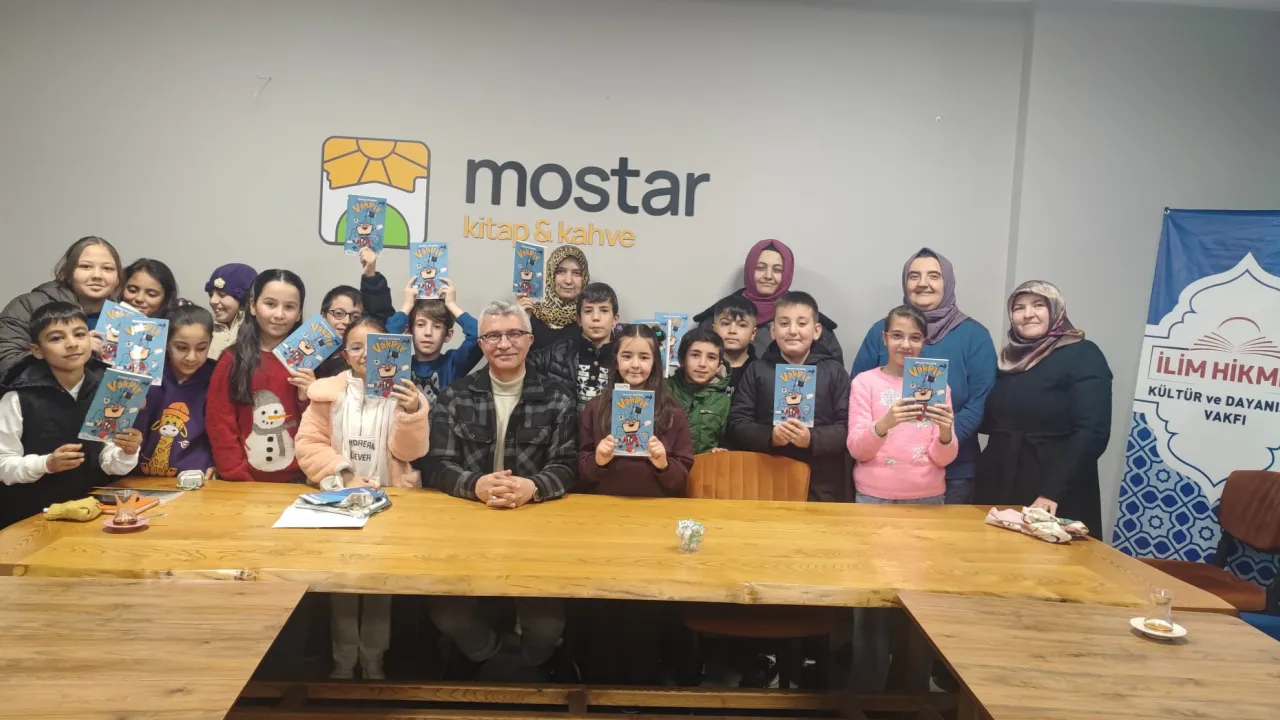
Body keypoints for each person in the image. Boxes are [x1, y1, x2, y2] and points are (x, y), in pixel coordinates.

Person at [417, 299, 576, 680]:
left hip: (535, 529)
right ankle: (486, 654)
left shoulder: (558, 396)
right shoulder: (455, 395)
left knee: (548, 627)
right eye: (492, 336)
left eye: (514, 334)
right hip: (468, 527)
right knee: (447, 615)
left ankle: (533, 662)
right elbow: (436, 464)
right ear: (481, 343)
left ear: (530, 340)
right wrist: (475, 485)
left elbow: (568, 464)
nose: (504, 344)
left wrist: (533, 487)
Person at [295, 316, 429, 680]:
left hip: (390, 502)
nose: (365, 355)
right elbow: (308, 444)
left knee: (379, 586)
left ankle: (373, 660)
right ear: (344, 354)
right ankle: (343, 662)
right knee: (342, 585)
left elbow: (412, 451)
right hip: (340, 502)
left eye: (375, 347)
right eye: (356, 347)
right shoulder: (327, 394)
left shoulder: (403, 392)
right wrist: (344, 474)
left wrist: (412, 412)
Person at [850, 248, 996, 504]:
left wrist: (939, 439)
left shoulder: (975, 336)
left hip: (953, 471)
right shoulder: (880, 330)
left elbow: (980, 403)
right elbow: (858, 396)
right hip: (881, 477)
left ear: (947, 282)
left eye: (933, 276)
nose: (923, 283)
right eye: (914, 276)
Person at [974, 281, 1112, 535]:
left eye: (1038, 305)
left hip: (1054, 490)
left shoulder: (1083, 354)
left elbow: (1092, 431)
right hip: (998, 483)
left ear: (1056, 310)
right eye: (1019, 308)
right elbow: (992, 421)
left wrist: (1052, 491)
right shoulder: (1008, 359)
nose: (1028, 314)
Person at [0, 302, 141, 529]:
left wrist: (127, 451)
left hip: (94, 512)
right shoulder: (18, 397)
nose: (72, 343)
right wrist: (46, 463)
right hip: (31, 517)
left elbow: (110, 463)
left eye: (79, 334)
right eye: (56, 338)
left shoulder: (110, 390)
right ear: (37, 350)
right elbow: (3, 463)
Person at [728, 291, 851, 502]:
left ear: (816, 331)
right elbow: (738, 423)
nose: (793, 331)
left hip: (823, 481)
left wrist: (811, 439)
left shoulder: (834, 371)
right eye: (784, 324)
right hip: (767, 475)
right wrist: (771, 437)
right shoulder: (757, 370)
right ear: (773, 330)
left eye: (802, 323)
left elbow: (847, 427)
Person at [207, 270, 313, 483]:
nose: (279, 314)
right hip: (244, 483)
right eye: (270, 304)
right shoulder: (231, 360)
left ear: (299, 313)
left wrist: (308, 397)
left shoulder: (310, 361)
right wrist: (238, 477)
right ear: (253, 306)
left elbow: (320, 425)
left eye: (289, 307)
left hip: (301, 481)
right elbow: (220, 425)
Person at [847, 306, 957, 503]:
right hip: (874, 494)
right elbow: (857, 450)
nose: (905, 344)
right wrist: (885, 424)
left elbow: (943, 459)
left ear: (924, 341)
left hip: (928, 494)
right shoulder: (864, 383)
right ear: (885, 338)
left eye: (915, 337)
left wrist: (945, 432)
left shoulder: (939, 388)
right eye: (897, 335)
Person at [579, 323, 694, 497]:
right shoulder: (595, 408)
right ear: (616, 360)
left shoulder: (673, 412)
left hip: (656, 504)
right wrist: (597, 461)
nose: (635, 364)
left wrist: (664, 465)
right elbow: (581, 471)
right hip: (606, 503)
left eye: (644, 357)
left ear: (654, 362)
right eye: (626, 356)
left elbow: (683, 478)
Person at [694, 239, 843, 364]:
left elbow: (833, 375)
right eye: (760, 268)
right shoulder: (717, 317)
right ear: (749, 270)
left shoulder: (814, 326)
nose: (768, 276)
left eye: (777, 270)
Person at [0, 236, 122, 378]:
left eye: (107, 268)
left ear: (118, 278)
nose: (97, 275)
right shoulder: (28, 305)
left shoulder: (124, 318)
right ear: (67, 273)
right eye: (86, 266)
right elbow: (6, 363)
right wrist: (76, 349)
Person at [136, 302, 216, 478]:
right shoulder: (146, 374)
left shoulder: (216, 376)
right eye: (181, 347)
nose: (191, 357)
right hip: (140, 477)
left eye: (201, 348)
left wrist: (217, 465)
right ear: (166, 343)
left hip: (197, 477)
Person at [377, 274, 481, 409]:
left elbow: (479, 334)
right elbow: (381, 342)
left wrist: (452, 305)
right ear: (408, 330)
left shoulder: (453, 364)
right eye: (421, 325)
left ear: (448, 335)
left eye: (437, 326)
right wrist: (406, 306)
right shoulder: (399, 365)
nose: (428, 332)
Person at [527, 282, 618, 410]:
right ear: (579, 319)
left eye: (604, 310)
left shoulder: (624, 356)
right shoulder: (558, 352)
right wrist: (523, 320)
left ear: (615, 319)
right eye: (588, 311)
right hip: (564, 422)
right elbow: (518, 365)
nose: (596, 318)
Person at [668, 326, 731, 454]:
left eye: (711, 357)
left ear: (719, 365)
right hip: (667, 464)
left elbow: (727, 443)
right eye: (695, 355)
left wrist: (720, 452)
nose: (702, 364)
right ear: (682, 359)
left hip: (705, 465)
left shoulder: (724, 401)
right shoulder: (664, 391)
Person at [517, 246, 589, 350]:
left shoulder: (589, 317)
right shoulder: (532, 311)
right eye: (561, 271)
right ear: (551, 275)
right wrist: (520, 320)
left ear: (584, 278)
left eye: (576, 273)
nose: (568, 280)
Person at [707, 295, 758, 397]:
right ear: (714, 329)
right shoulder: (703, 366)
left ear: (753, 333)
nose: (732, 331)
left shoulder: (759, 371)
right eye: (725, 324)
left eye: (742, 325)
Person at [205, 262, 257, 360]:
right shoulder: (206, 328)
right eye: (211, 294)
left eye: (222, 294)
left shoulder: (256, 332)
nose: (212, 301)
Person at [314, 285, 363, 379]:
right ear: (323, 315)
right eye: (339, 313)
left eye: (355, 317)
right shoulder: (308, 345)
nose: (347, 321)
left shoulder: (362, 356)